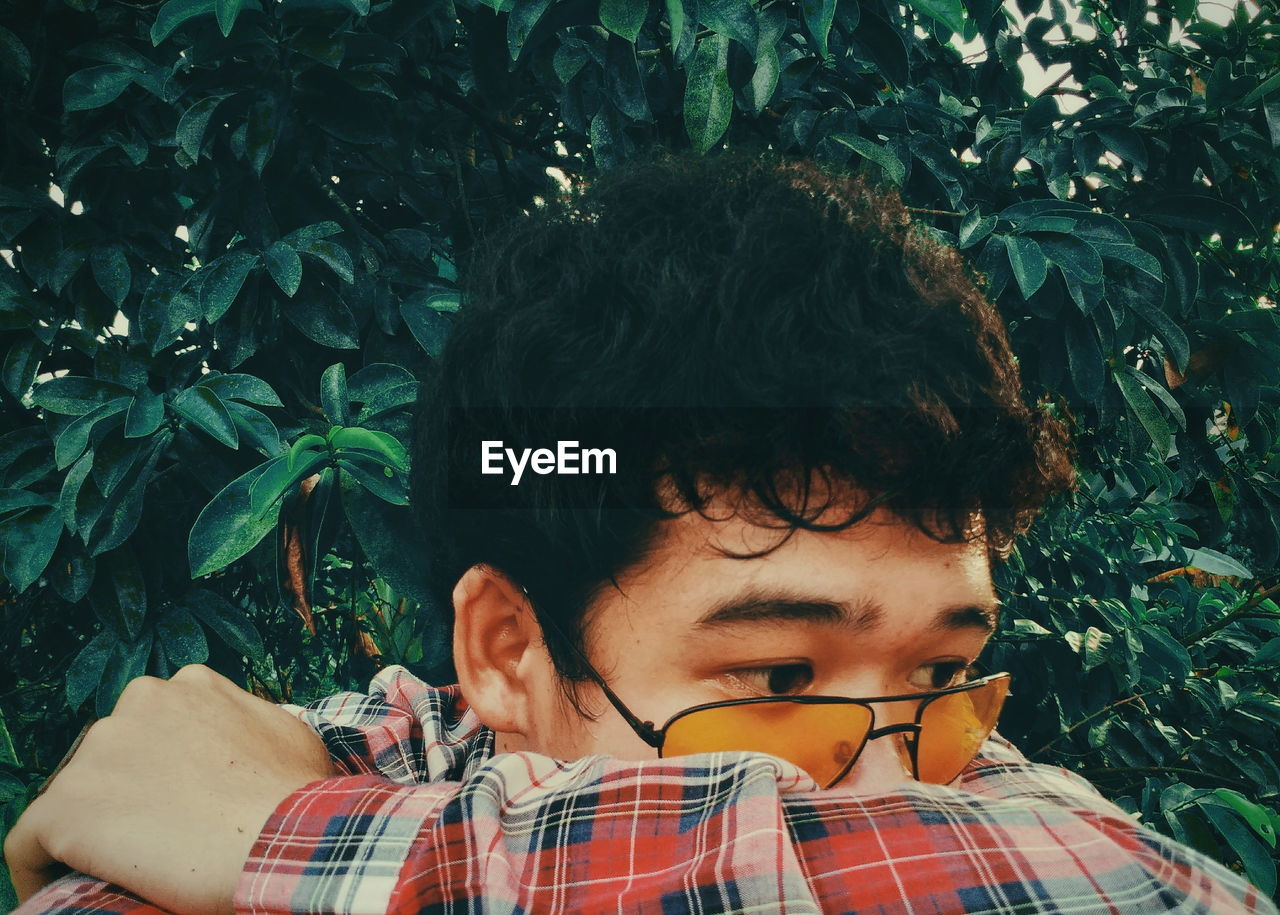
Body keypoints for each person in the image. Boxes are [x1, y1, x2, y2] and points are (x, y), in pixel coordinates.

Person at [6, 150, 1274, 914]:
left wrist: (283, 851)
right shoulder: (357, 762)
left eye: (943, 674)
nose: (897, 792)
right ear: (505, 652)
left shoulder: (952, 774)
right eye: (778, 678)